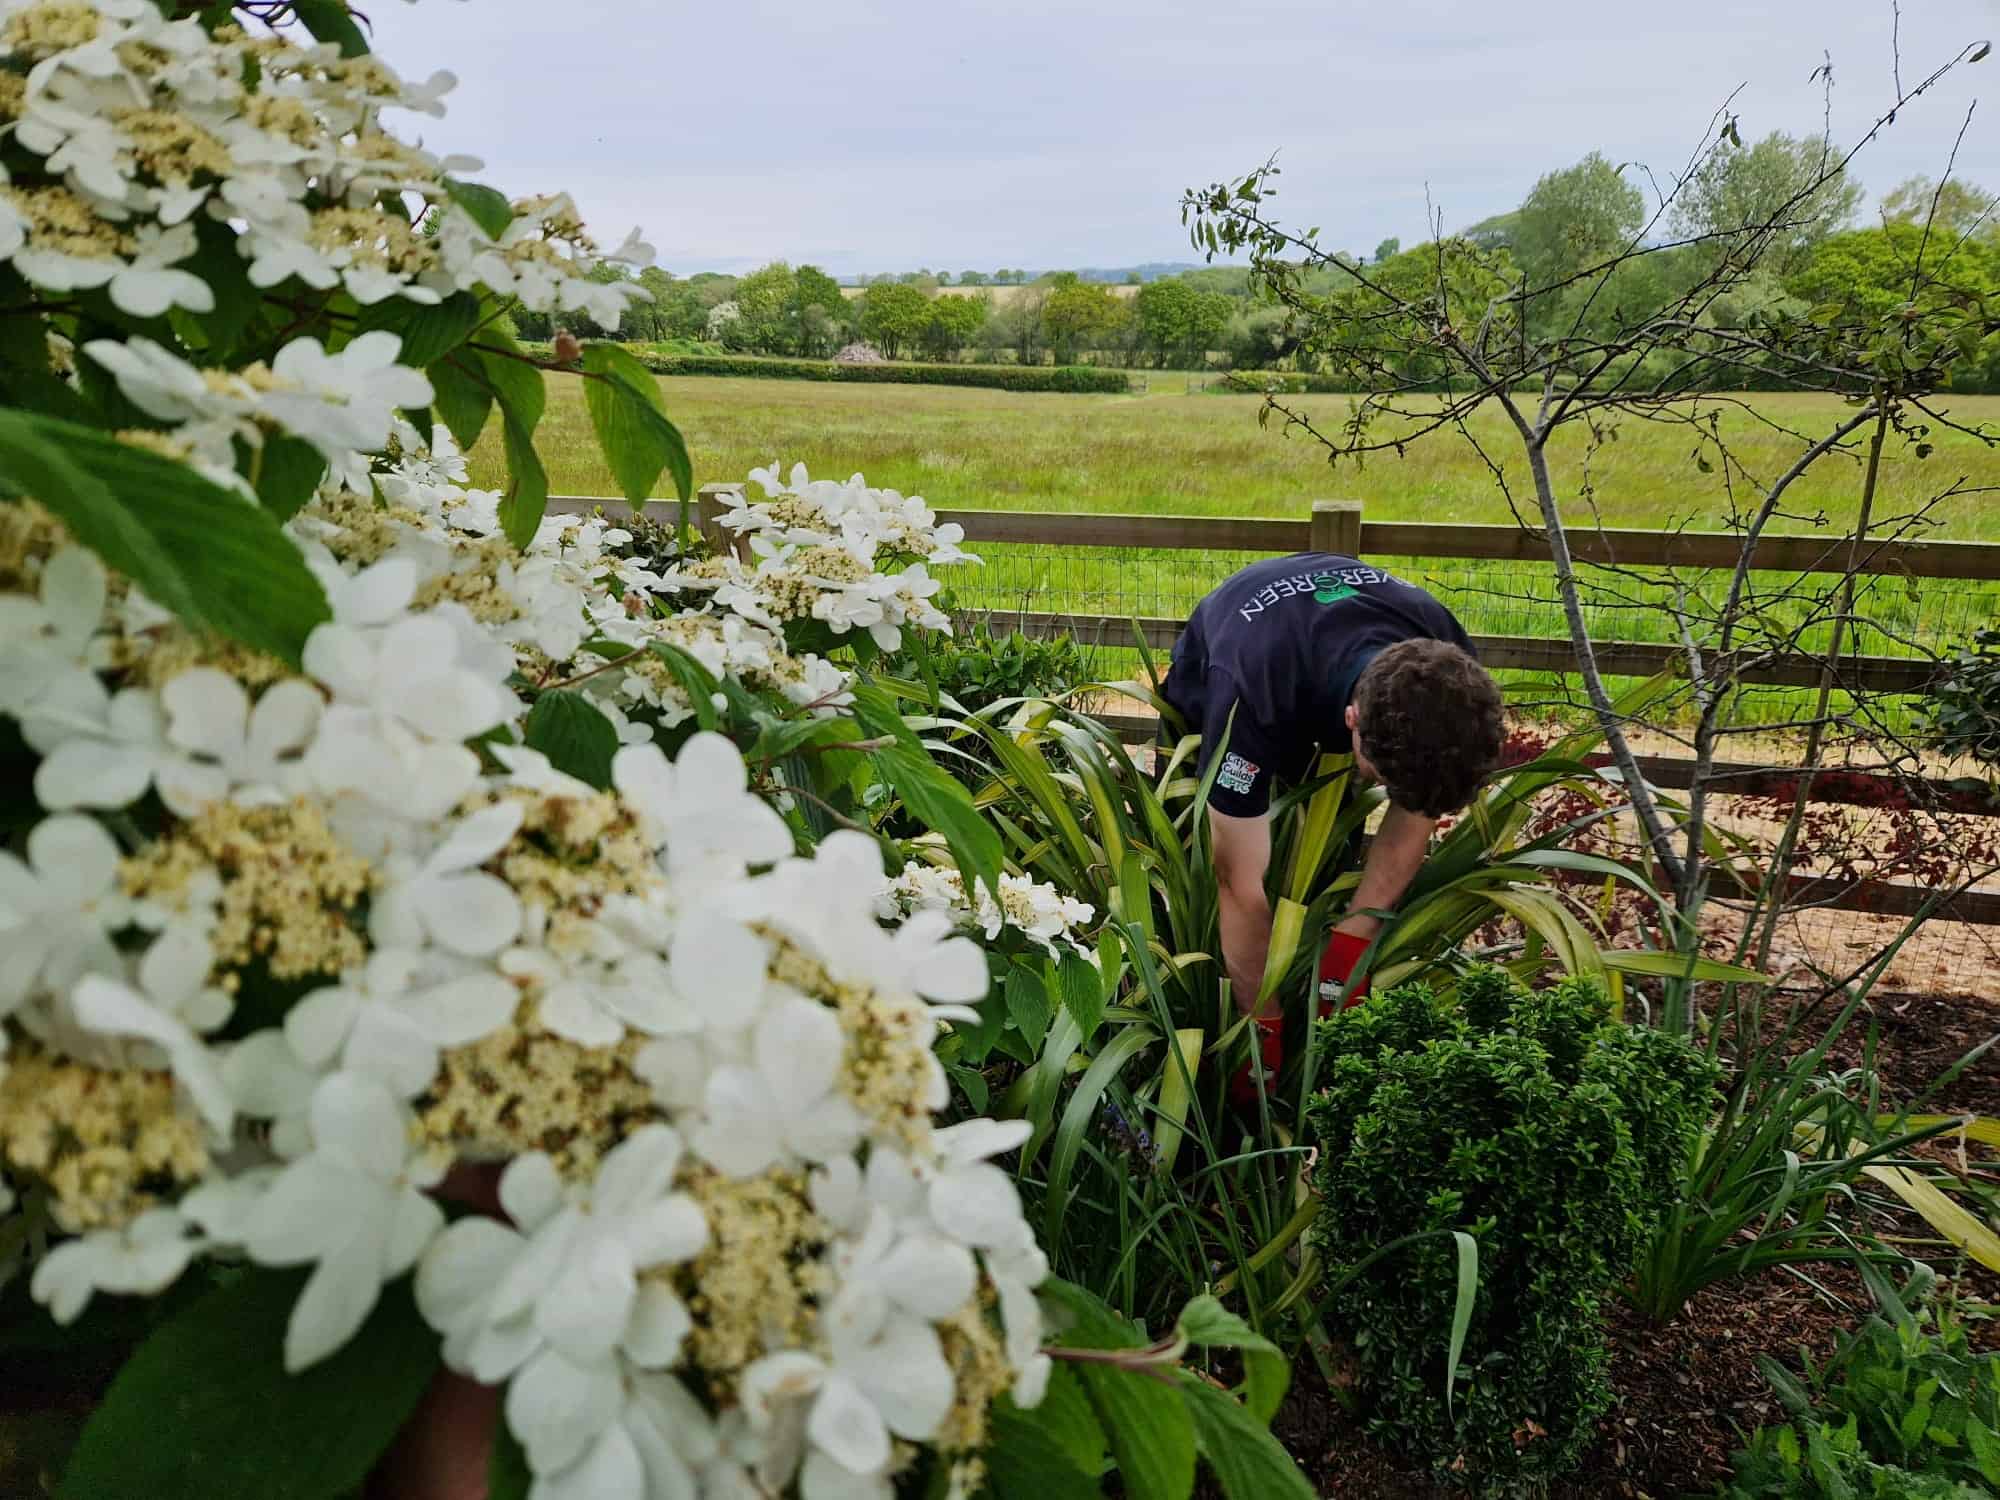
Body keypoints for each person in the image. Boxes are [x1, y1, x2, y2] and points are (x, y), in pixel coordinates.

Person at [1160, 550, 1504, 1097]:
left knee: (1322, 850)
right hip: (1234, 668)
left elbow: (1419, 804)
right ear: (1352, 720)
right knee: (1197, 863)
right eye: (1383, 779)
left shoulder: (1447, 664)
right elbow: (1236, 883)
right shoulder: (1249, 691)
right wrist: (1263, 1025)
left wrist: (1350, 946)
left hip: (1315, 663)